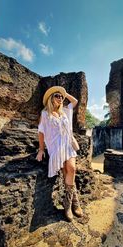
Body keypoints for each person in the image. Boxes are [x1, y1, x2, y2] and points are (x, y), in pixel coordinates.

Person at [36, 86, 83, 221]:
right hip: (55, 147)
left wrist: (65, 93)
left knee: (72, 169)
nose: (60, 98)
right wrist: (41, 149)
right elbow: (41, 131)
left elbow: (74, 102)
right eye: (57, 96)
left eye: (61, 97)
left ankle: (68, 204)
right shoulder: (45, 114)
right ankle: (74, 203)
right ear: (51, 98)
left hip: (68, 144)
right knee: (65, 173)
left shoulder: (65, 112)